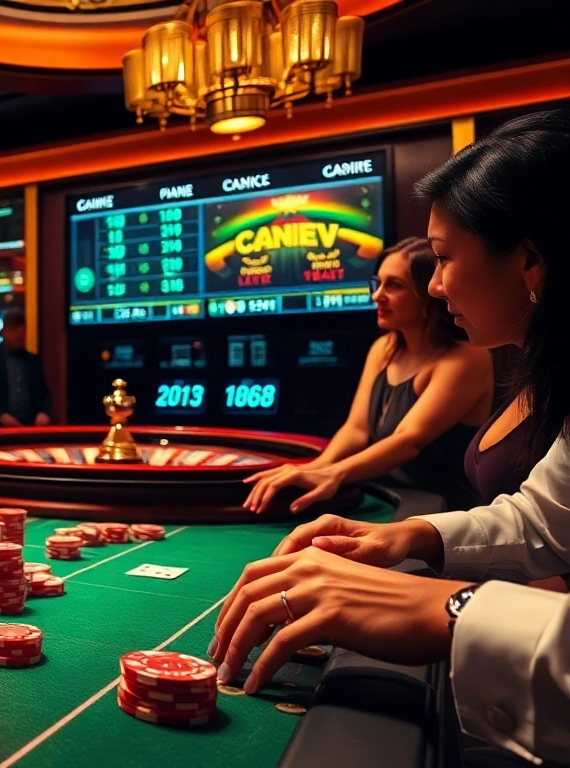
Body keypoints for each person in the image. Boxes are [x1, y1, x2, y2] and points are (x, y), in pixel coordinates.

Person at [210, 110, 570, 765]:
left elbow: (407, 441)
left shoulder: (469, 360)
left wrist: (451, 609)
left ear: (531, 262)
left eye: (446, 259)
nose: (435, 285)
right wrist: (407, 537)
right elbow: (547, 520)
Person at [243, 239, 493, 514]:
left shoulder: (467, 358)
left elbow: (409, 440)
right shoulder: (383, 348)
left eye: (394, 286)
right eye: (378, 283)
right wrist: (316, 467)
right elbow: (357, 429)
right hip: (387, 496)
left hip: (446, 509)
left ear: (428, 293)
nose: (377, 296)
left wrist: (334, 473)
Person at [0, 309, 52, 429]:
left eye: (21, 332)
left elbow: (45, 394)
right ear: (4, 332)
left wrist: (43, 412)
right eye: (13, 331)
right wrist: (0, 415)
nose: (18, 335)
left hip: (29, 426)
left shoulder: (33, 360)